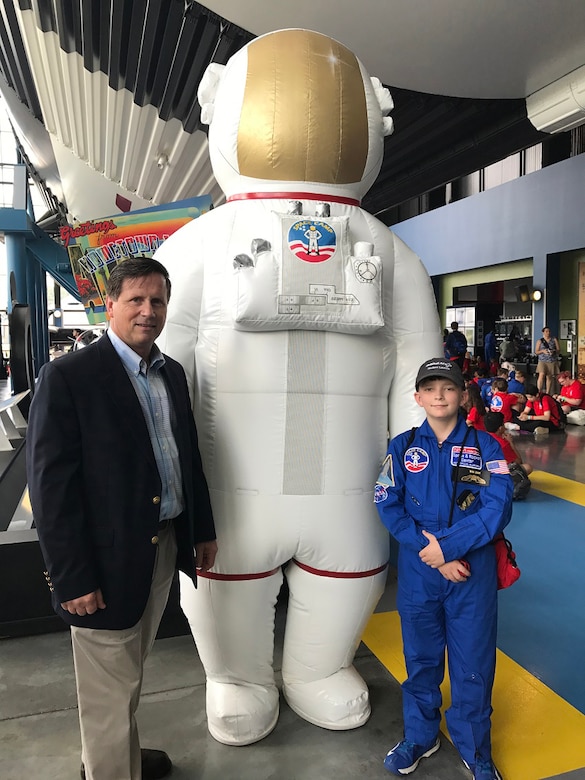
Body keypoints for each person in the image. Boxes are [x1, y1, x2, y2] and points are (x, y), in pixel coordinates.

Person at [26, 257, 217, 780]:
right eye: (135, 300)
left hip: (160, 548)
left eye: (157, 301)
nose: (147, 311)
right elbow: (50, 488)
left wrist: (201, 530)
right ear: (109, 306)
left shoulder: (169, 372)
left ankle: (116, 758)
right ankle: (109, 769)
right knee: (109, 690)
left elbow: (186, 457)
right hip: (102, 565)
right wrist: (73, 577)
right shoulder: (69, 376)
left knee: (126, 677)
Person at [375, 358, 513, 780]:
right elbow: (387, 502)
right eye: (430, 388)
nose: (439, 395)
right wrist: (432, 551)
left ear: (463, 396)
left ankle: (475, 748)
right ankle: (420, 736)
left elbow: (499, 505)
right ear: (418, 397)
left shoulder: (487, 447)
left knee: (473, 662)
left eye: (448, 388)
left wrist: (451, 547)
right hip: (421, 571)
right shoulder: (401, 447)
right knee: (420, 658)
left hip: (473, 571)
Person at [535, 326, 560, 394]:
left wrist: (553, 351)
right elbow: (536, 351)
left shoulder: (554, 340)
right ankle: (539, 390)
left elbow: (558, 350)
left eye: (549, 331)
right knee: (541, 374)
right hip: (542, 360)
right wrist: (542, 351)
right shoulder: (540, 341)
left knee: (549, 376)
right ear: (543, 332)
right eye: (546, 331)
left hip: (552, 360)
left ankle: (548, 392)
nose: (548, 333)